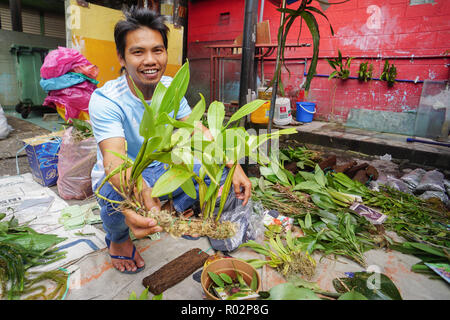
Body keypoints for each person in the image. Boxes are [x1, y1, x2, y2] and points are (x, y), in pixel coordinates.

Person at [89, 6, 252, 274]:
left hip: (164, 165)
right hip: (130, 171)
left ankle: (172, 209)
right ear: (121, 57)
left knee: (216, 168)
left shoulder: (170, 86)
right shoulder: (107, 100)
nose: (150, 60)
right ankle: (118, 240)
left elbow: (196, 130)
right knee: (110, 192)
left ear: (166, 52)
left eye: (158, 50)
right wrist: (141, 196)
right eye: (138, 52)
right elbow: (115, 160)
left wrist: (234, 166)